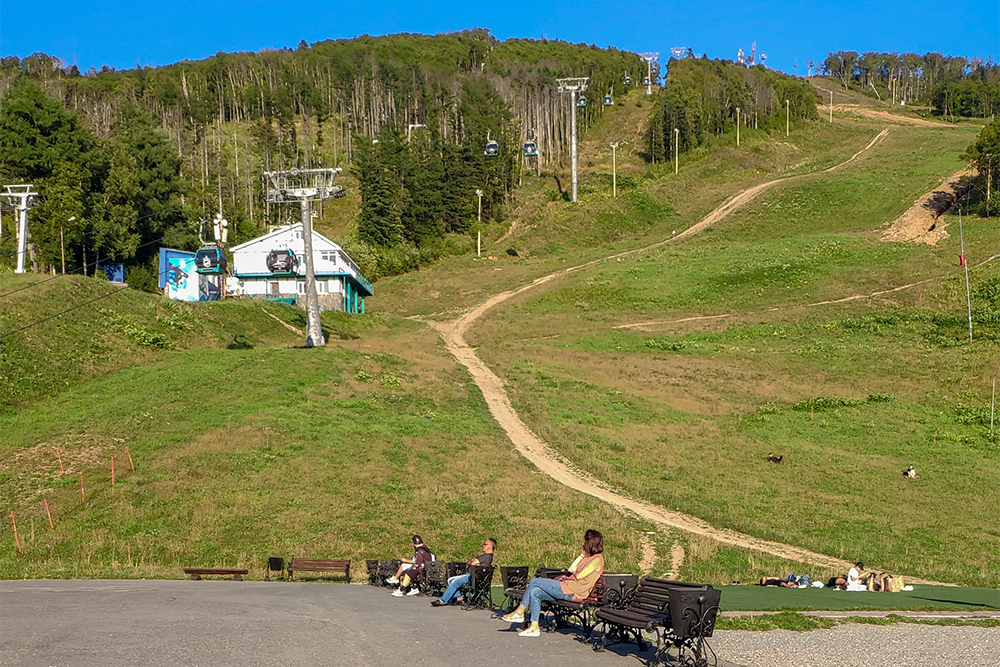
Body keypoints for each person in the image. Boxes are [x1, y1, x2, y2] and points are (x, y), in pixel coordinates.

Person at [500, 529, 605, 637]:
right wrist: (581, 556)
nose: (583, 544)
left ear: (591, 543)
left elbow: (578, 576)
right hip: (567, 587)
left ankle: (519, 611)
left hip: (573, 592)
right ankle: (534, 627)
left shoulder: (597, 560)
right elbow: (571, 569)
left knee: (535, 581)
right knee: (535, 592)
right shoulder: (587, 558)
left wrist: (573, 575)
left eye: (585, 541)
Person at [430, 538, 496, 607]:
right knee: (450, 580)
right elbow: (471, 562)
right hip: (472, 576)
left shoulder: (486, 556)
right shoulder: (485, 556)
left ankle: (443, 600)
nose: (483, 545)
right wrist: (472, 562)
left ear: (490, 546)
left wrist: (472, 561)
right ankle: (459, 597)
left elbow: (472, 563)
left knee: (455, 582)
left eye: (485, 544)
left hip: (472, 577)